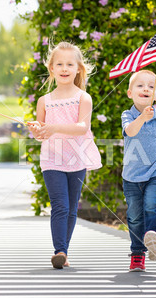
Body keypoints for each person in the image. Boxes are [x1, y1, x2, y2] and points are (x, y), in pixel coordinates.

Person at [27, 42, 102, 269]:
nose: (64, 68)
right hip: (52, 159)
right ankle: (59, 251)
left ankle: (64, 253)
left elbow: (81, 127)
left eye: (69, 63)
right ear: (51, 68)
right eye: (59, 64)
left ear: (79, 68)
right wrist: (36, 130)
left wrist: (53, 127)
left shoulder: (83, 98)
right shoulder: (44, 101)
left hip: (76, 158)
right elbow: (41, 134)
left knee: (71, 208)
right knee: (60, 205)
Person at [121, 69, 156, 271]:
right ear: (130, 93)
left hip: (155, 173)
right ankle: (137, 254)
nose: (146, 88)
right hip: (131, 177)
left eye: (151, 87)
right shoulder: (128, 115)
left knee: (152, 206)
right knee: (135, 216)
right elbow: (130, 131)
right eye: (140, 85)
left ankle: (155, 240)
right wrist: (142, 118)